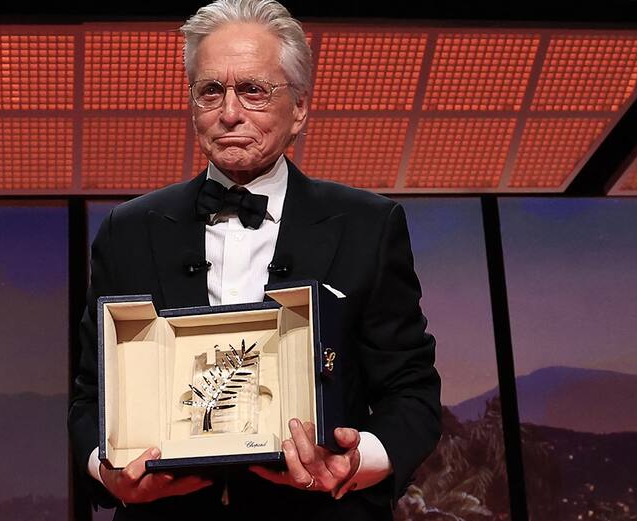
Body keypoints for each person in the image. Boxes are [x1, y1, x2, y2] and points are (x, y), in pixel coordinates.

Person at [68, 1, 441, 519]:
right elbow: (90, 397)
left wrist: (357, 462)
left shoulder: (367, 226)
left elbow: (411, 392)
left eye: (253, 90)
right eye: (210, 91)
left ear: (301, 108)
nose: (228, 113)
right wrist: (106, 470)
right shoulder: (126, 232)